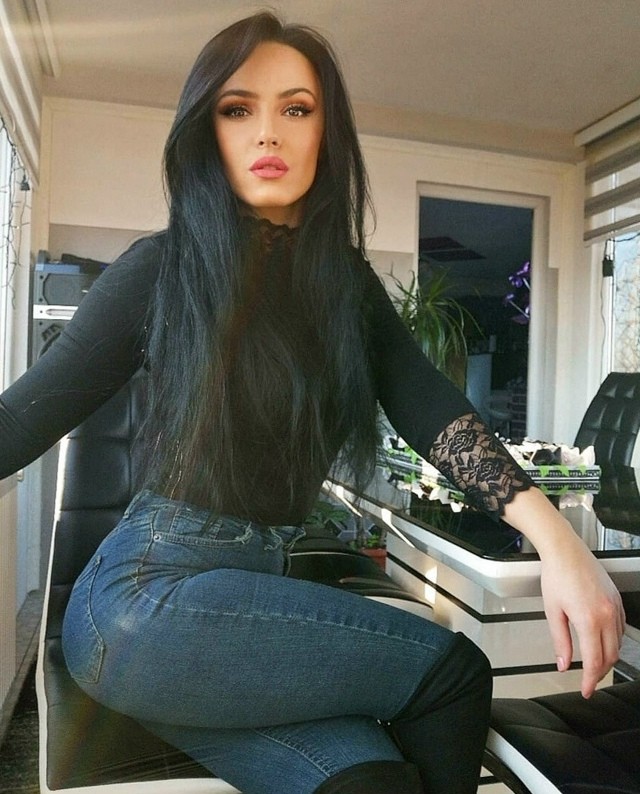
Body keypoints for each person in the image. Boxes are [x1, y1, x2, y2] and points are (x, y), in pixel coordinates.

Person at [0, 12, 624, 794]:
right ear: (208, 134)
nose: (268, 132)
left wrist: (561, 544)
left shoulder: (345, 287)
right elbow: (20, 418)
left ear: (326, 134)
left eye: (296, 109)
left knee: (371, 780)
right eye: (237, 109)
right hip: (142, 605)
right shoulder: (162, 268)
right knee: (452, 671)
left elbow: (435, 413)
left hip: (234, 616)